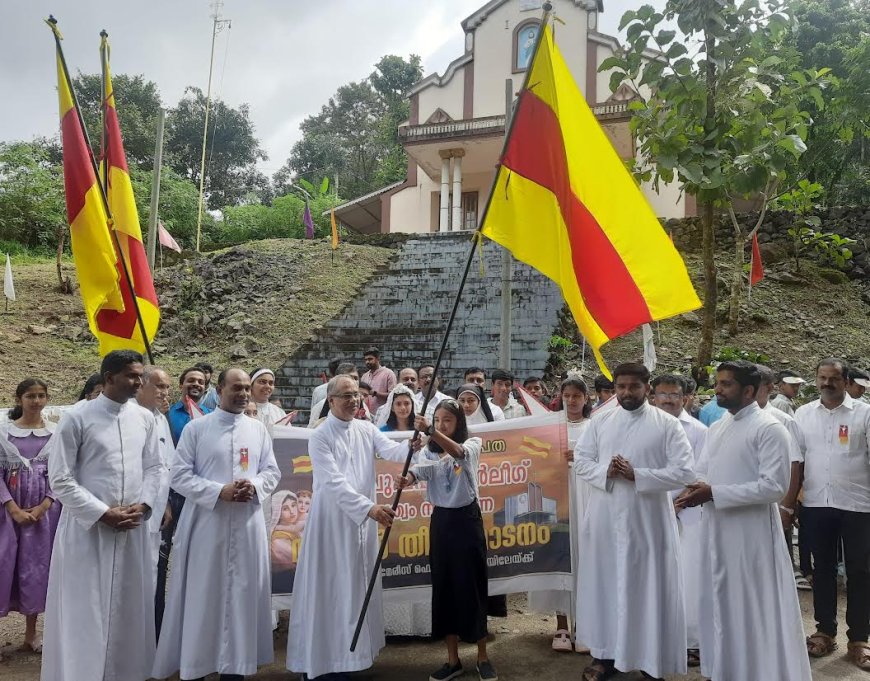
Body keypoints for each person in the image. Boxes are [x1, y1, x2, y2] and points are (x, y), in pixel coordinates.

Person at [677, 360, 812, 681]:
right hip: (717, 529)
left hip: (751, 535)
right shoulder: (720, 425)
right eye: (718, 383)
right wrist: (696, 487)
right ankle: (726, 670)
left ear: (749, 391)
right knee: (720, 602)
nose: (718, 389)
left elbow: (773, 487)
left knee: (750, 606)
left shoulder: (769, 428)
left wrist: (713, 493)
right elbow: (704, 470)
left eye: (726, 384)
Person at [42, 350, 164, 681]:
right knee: (85, 610)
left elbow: (155, 466)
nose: (139, 382)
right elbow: (61, 479)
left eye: (140, 375)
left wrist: (145, 504)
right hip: (89, 531)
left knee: (128, 607)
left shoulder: (144, 418)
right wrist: (102, 512)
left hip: (131, 529)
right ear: (109, 378)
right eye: (132, 375)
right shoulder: (77, 417)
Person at [153, 368, 281, 681]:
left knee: (241, 595)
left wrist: (254, 487)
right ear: (220, 389)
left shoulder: (257, 429)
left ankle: (235, 667)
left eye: (246, 389)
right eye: (236, 388)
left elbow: (272, 472)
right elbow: (179, 475)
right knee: (203, 595)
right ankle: (197, 664)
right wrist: (217, 491)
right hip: (206, 526)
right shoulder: (198, 428)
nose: (243, 394)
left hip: (246, 525)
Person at [286, 374, 415, 680]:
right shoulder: (320, 436)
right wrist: (369, 508)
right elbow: (332, 483)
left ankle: (351, 658)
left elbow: (395, 452)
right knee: (331, 590)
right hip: (331, 526)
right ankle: (321, 660)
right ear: (330, 401)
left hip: (361, 526)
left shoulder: (366, 428)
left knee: (355, 589)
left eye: (356, 394)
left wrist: (416, 442)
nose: (353, 400)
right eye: (346, 395)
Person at [574, 363, 695, 681]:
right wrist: (607, 472)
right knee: (606, 586)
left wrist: (637, 474)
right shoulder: (600, 422)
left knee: (647, 589)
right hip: (605, 519)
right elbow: (582, 462)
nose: (626, 393)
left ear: (648, 387)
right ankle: (604, 656)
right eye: (621, 387)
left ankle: (650, 660)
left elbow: (684, 472)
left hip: (648, 522)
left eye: (633, 387)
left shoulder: (668, 425)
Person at [397, 401, 497, 681]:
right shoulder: (428, 449)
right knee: (445, 588)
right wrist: (408, 478)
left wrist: (429, 430)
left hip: (467, 521)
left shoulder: (473, 443)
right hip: (441, 523)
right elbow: (423, 470)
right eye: (437, 420)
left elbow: (459, 452)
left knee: (473, 587)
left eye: (447, 421)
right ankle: (453, 660)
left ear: (459, 423)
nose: (441, 425)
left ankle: (482, 656)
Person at [795, 358, 870, 670]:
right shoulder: (802, 414)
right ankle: (825, 630)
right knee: (822, 571)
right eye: (822, 377)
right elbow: (796, 460)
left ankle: (860, 639)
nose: (827, 383)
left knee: (861, 572)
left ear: (846, 381)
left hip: (859, 505)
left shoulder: (865, 414)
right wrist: (794, 501)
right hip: (816, 504)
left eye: (834, 378)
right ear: (815, 380)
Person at [528, 376, 592, 652]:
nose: (572, 400)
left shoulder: (594, 427)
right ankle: (562, 625)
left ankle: (586, 625)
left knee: (585, 560)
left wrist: (579, 457)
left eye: (577, 395)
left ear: (586, 399)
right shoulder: (550, 426)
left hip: (586, 498)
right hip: (558, 499)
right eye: (567, 395)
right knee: (559, 556)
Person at [0, 378, 60, 656]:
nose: (36, 401)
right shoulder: (5, 434)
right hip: (7, 513)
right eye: (30, 396)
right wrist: (11, 507)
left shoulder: (55, 435)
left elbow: (61, 474)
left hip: (42, 516)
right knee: (4, 566)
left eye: (41, 396)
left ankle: (30, 633)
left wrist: (44, 505)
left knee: (35, 568)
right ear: (19, 399)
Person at [651, 374, 707, 668]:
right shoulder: (646, 427)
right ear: (654, 397)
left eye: (675, 394)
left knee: (687, 579)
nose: (669, 399)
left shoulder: (697, 430)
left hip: (686, 515)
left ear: (685, 398)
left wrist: (675, 505)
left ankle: (691, 643)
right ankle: (657, 637)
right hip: (649, 514)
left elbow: (698, 475)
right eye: (663, 394)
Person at [755, 364, 812, 591]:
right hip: (746, 502)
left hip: (774, 500)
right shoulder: (729, 418)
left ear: (769, 388)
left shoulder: (780, 418)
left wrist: (788, 505)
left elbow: (794, 463)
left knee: (778, 555)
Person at [134, 366, 175, 637]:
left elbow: (166, 466)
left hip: (160, 513)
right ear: (140, 385)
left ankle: (151, 642)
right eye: (159, 386)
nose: (165, 392)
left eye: (167, 387)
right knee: (135, 582)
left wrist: (166, 503)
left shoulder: (161, 419)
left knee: (154, 579)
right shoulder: (131, 418)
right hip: (135, 511)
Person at [167, 367, 211, 445]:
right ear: (180, 386)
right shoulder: (166, 414)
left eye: (201, 382)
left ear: (204, 389)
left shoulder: (211, 415)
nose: (196, 384)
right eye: (191, 381)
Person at [308, 362, 359, 428]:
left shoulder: (362, 405)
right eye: (349, 378)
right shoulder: (320, 407)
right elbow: (311, 431)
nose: (354, 382)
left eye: (356, 378)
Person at [270, 490, 303, 571]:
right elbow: (302, 560)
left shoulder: (298, 529)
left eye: (293, 505)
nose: (292, 511)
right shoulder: (277, 540)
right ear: (277, 511)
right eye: (285, 508)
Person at [361, 346, 397, 412]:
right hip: (366, 415)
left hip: (383, 415)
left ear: (378, 359)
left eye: (370, 359)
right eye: (366, 360)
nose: (367, 362)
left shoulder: (389, 374)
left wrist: (375, 393)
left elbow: (393, 395)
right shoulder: (364, 376)